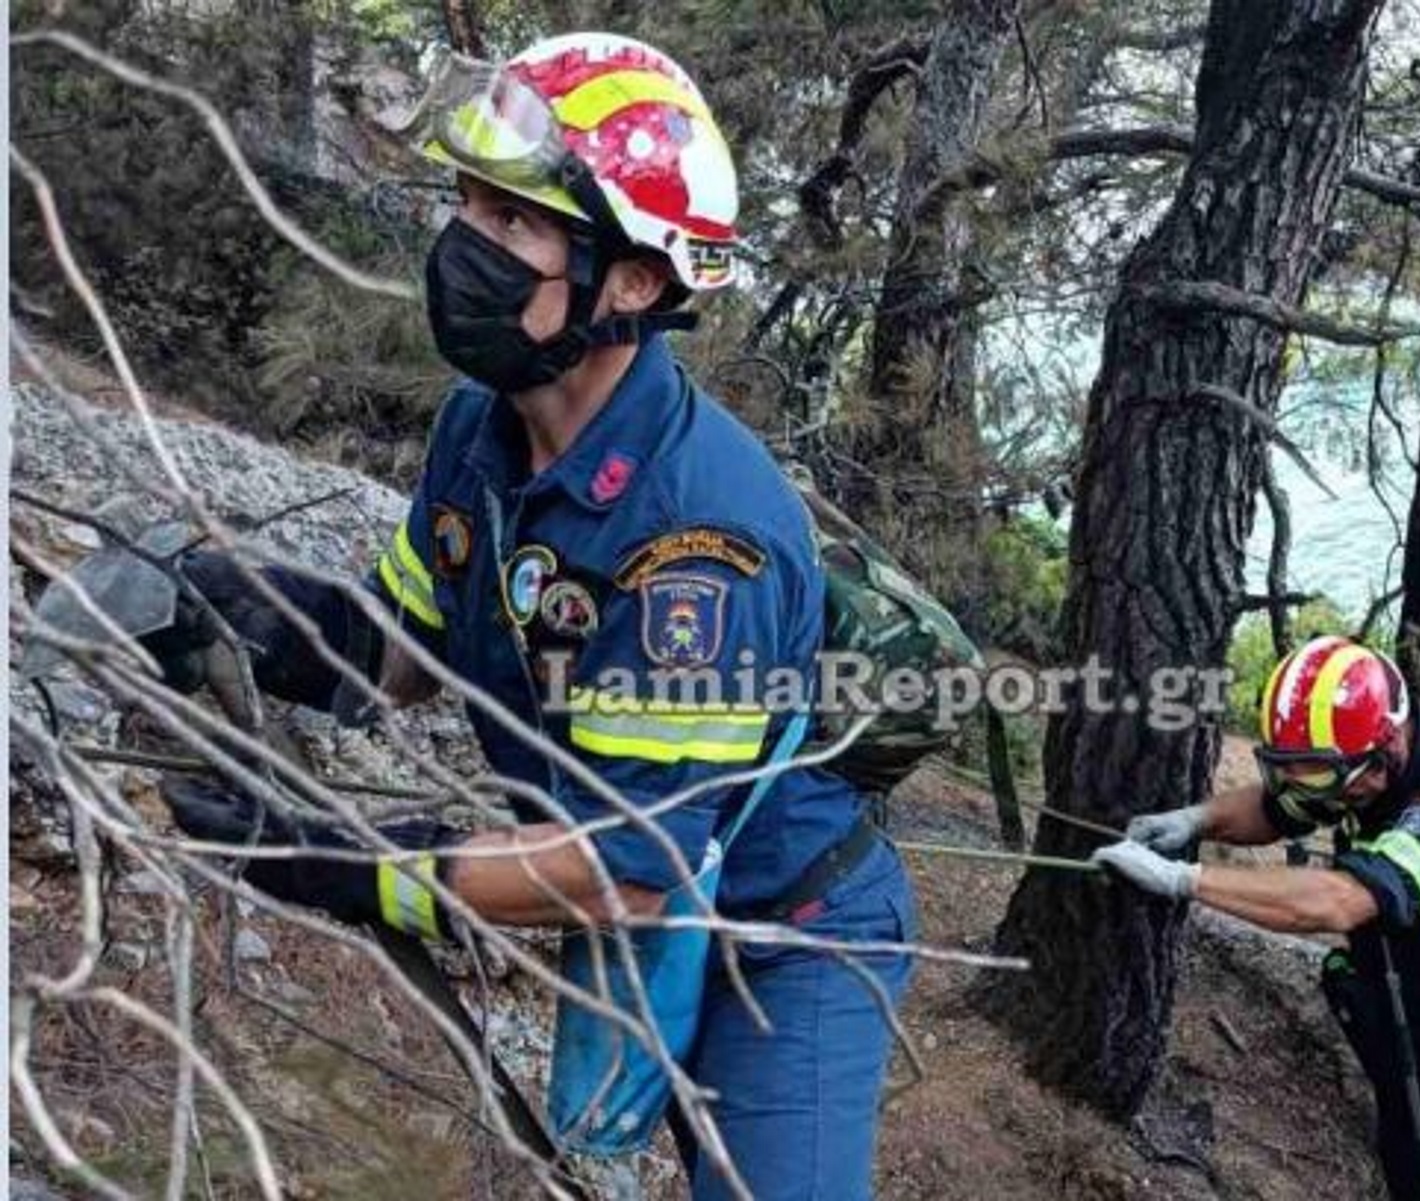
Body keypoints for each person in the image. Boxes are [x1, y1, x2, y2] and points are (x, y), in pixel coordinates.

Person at [146, 33, 914, 1200]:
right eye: (468, 205)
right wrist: (237, 605)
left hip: (787, 925)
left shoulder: (700, 541)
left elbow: (628, 867)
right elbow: (404, 654)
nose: (464, 245)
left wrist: (358, 865)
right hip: (629, 881)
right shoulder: (479, 425)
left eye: (514, 222)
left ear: (635, 280)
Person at [1092, 635, 1420, 1201]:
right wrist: (1195, 820)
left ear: (1387, 746)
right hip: (1413, 1005)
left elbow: (1340, 901)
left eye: (1318, 776)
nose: (1308, 791)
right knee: (1404, 1157)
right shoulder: (1357, 764)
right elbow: (1278, 809)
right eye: (1289, 770)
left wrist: (1183, 881)